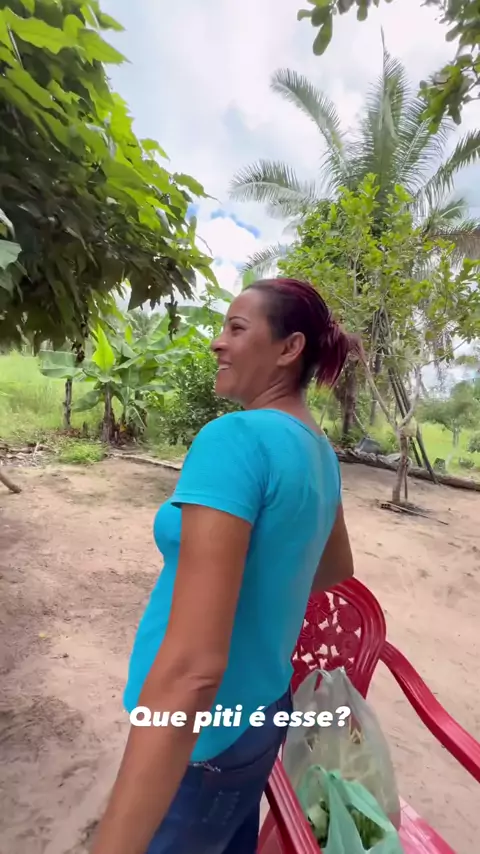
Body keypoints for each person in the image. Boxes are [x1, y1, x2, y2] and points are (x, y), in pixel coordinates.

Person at [90, 277, 356, 854]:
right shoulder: (317, 449)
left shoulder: (234, 439)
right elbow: (335, 567)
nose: (217, 342)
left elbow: (192, 670)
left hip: (201, 734)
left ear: (289, 348)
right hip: (261, 715)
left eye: (236, 328)